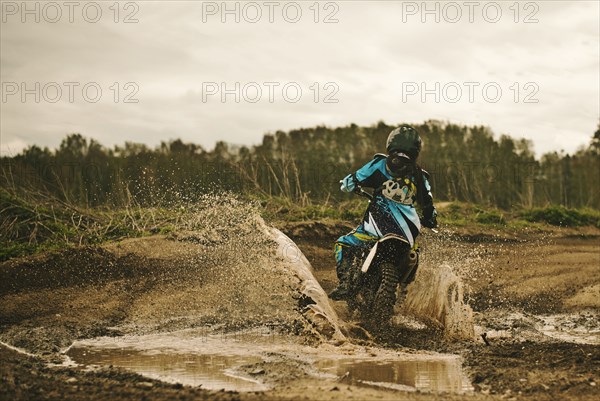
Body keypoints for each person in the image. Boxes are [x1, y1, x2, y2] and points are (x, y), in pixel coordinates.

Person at [329, 125, 438, 300]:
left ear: (390, 143)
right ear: (416, 149)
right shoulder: (420, 176)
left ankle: (345, 284)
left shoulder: (379, 164)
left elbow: (352, 181)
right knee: (414, 254)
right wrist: (430, 220)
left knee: (343, 244)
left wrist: (348, 185)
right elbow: (430, 208)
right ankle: (405, 295)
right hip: (407, 234)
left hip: (376, 229)